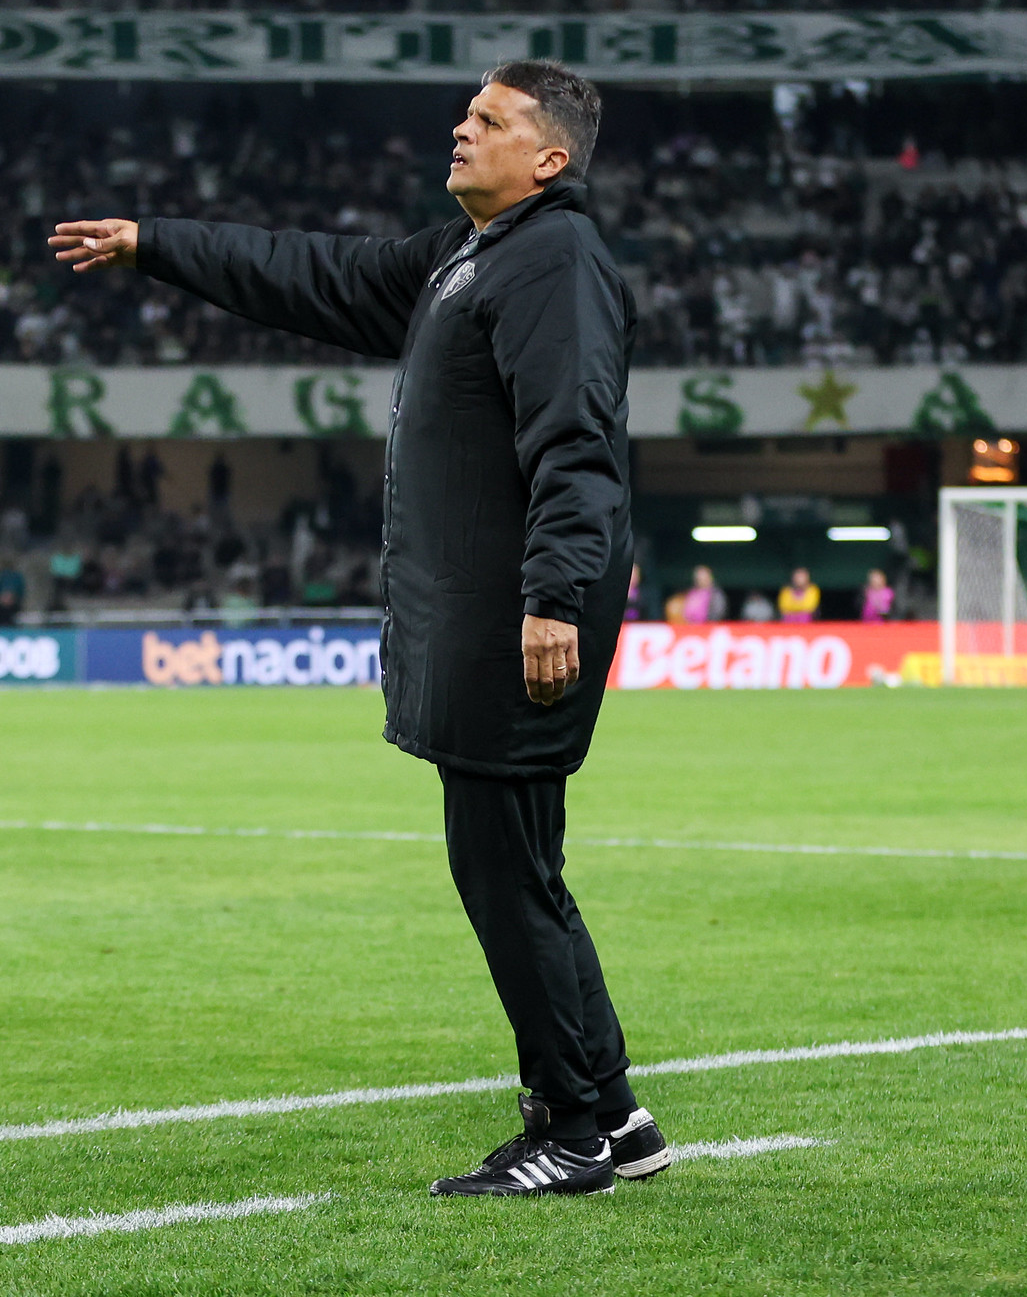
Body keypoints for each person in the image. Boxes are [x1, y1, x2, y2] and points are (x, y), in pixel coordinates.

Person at [49, 59, 668, 1198]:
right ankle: (611, 1112)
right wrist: (158, 242)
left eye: (487, 120)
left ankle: (573, 1125)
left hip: (512, 616)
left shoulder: (554, 260)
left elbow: (576, 441)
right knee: (513, 868)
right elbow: (313, 273)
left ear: (548, 157)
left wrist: (549, 596)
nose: (459, 127)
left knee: (504, 872)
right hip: (480, 614)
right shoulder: (466, 256)